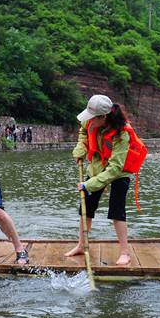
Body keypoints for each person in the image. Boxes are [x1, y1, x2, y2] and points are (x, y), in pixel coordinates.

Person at [65, 95, 143, 266]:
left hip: (119, 171)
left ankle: (125, 252)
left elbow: (115, 168)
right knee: (86, 207)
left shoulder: (122, 133)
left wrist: (88, 184)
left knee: (117, 211)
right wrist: (80, 150)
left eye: (94, 118)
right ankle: (81, 245)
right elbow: (83, 133)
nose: (90, 121)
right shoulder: (90, 121)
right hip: (97, 166)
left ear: (104, 117)